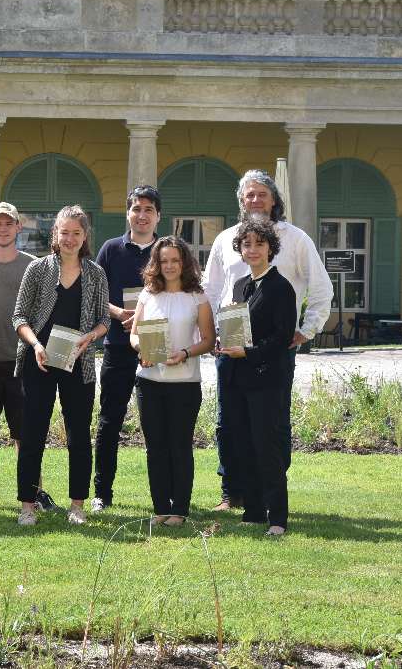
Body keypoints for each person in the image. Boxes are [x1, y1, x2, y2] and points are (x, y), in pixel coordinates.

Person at [202, 170, 332, 511]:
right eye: (249, 195)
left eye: (262, 194)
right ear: (241, 202)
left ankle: (271, 493)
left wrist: (308, 328)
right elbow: (211, 289)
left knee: (272, 423)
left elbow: (321, 287)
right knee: (228, 422)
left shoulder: (296, 239)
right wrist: (211, 330)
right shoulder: (226, 239)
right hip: (230, 344)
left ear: (275, 199)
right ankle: (232, 492)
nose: (255, 200)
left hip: (273, 349)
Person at [0, 202, 64, 511]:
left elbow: (49, 309)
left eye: (9, 223)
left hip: (24, 361)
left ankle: (35, 491)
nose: (3, 228)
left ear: (19, 227)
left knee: (27, 433)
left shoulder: (35, 265)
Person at [12, 205, 110, 526]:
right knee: (33, 433)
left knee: (79, 434)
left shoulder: (95, 273)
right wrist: (36, 344)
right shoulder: (38, 269)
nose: (69, 239)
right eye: (64, 232)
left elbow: (104, 320)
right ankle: (28, 505)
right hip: (38, 362)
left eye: (76, 233)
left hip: (78, 363)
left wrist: (89, 338)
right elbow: (19, 317)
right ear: (55, 233)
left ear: (85, 237)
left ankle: (77, 505)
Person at [214, 219, 297, 536]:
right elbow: (236, 330)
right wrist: (225, 343)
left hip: (266, 381)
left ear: (270, 249)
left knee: (268, 447)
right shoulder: (240, 286)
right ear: (240, 249)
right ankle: (252, 510)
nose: (252, 249)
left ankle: (277, 518)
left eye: (259, 244)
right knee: (243, 444)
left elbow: (281, 338)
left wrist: (248, 353)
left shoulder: (281, 288)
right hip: (237, 380)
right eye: (246, 244)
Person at [129, 236, 215, 526]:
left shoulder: (197, 297)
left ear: (184, 262)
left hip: (185, 382)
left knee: (179, 445)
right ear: (156, 264)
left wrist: (185, 352)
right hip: (149, 381)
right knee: (155, 446)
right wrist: (142, 348)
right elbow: (134, 334)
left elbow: (208, 340)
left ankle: (179, 509)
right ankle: (160, 508)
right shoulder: (147, 294)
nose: (169, 266)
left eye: (174, 260)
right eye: (163, 260)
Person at [92, 185, 161, 512]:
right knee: (109, 421)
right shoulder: (110, 249)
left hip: (156, 343)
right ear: (128, 213)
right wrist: (118, 312)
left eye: (149, 209)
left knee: (160, 424)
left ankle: (165, 496)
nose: (142, 215)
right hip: (118, 345)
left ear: (158, 216)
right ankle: (101, 494)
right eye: (137, 209)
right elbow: (94, 292)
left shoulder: (167, 250)